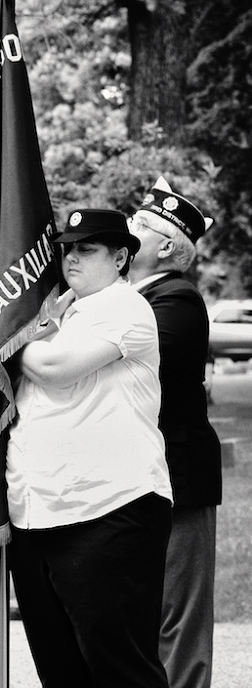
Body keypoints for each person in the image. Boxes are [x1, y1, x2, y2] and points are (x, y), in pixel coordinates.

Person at [7, 208, 171, 687]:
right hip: (38, 511)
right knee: (62, 671)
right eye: (67, 249)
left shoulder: (125, 306)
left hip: (109, 508)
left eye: (87, 249)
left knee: (121, 669)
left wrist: (8, 338)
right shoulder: (58, 314)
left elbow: (55, 369)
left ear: (120, 258)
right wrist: (30, 332)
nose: (71, 258)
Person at [128, 179, 221, 688]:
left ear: (165, 247)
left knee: (177, 616)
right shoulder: (127, 298)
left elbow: (127, 366)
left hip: (177, 476)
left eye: (139, 224)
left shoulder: (177, 298)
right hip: (136, 473)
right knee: (138, 610)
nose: (127, 228)